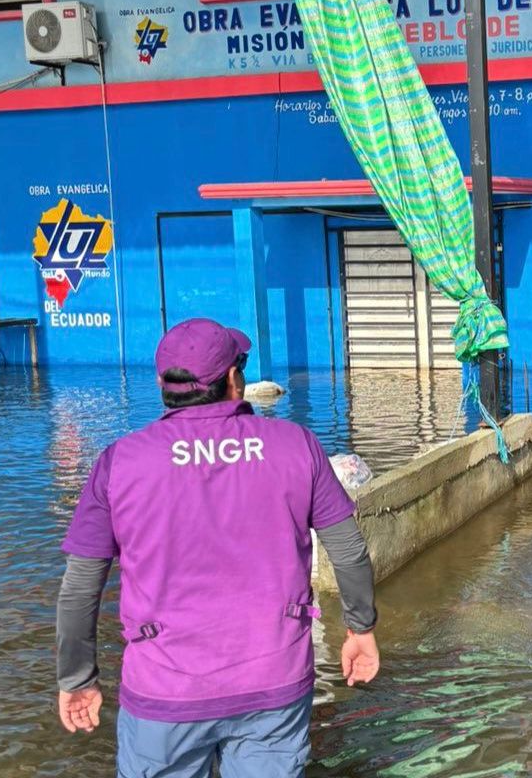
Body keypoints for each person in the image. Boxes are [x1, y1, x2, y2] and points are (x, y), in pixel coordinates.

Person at [55, 318, 380, 777]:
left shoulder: (120, 462)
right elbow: (348, 552)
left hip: (165, 692)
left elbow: (80, 589)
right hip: (274, 682)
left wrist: (77, 678)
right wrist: (360, 628)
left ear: (162, 385)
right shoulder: (297, 446)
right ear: (232, 379)